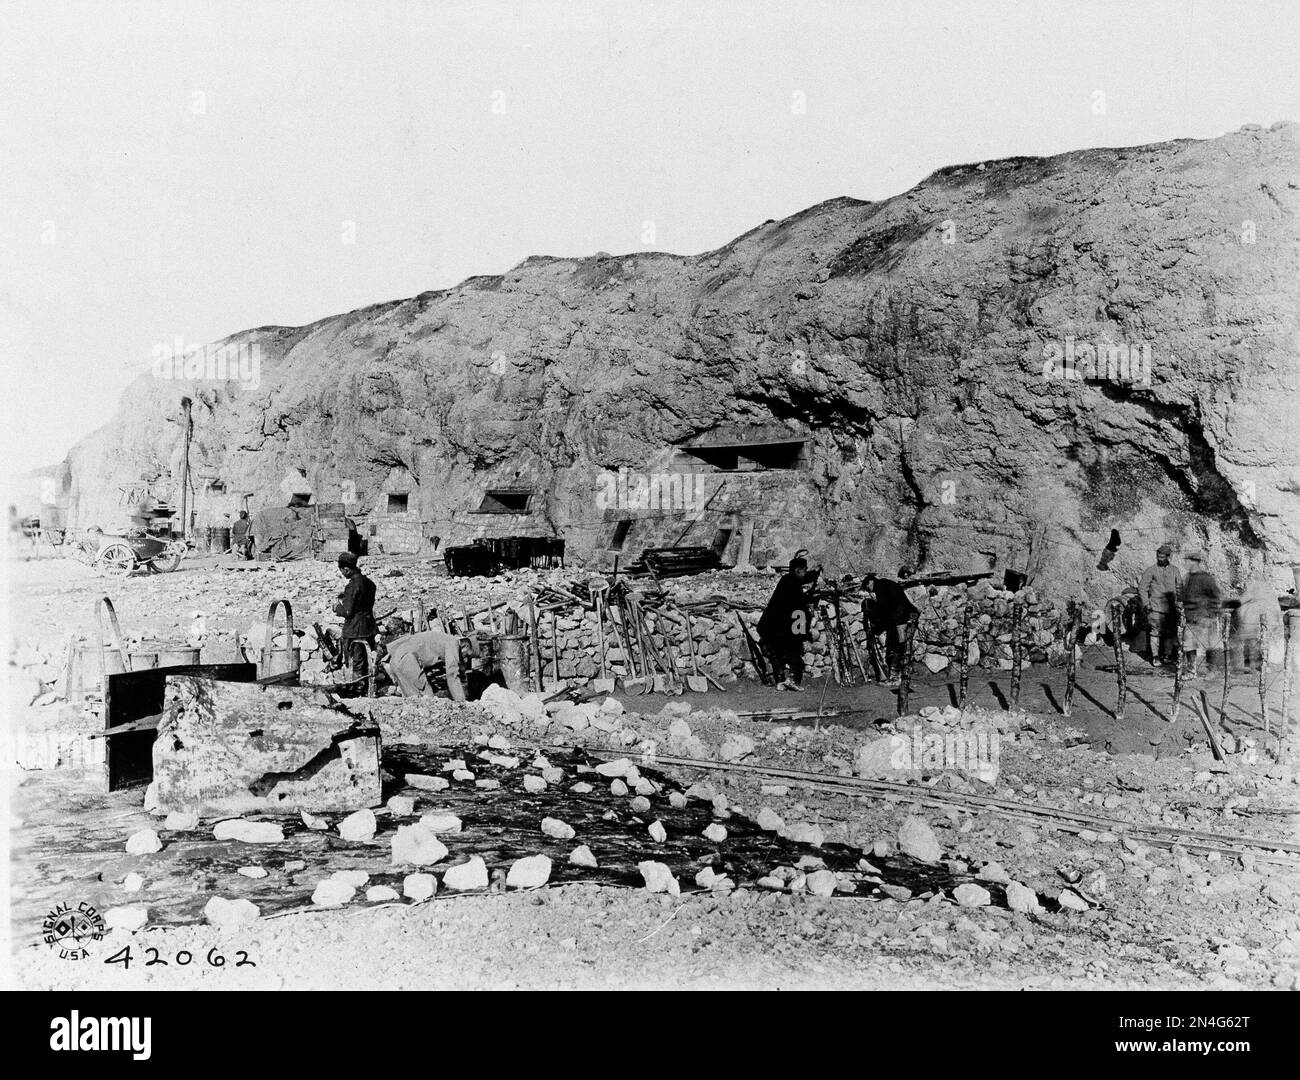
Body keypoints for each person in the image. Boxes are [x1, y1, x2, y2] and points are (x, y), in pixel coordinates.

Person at [757, 554, 819, 690]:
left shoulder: (787, 580)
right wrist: (804, 632)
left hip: (770, 627)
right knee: (794, 652)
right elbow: (800, 610)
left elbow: (804, 579)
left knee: (777, 654)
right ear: (798, 570)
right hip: (781, 627)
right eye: (804, 569)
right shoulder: (794, 586)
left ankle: (780, 681)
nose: (805, 572)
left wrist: (816, 573)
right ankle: (793, 681)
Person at [379, 625, 479, 701]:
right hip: (407, 661)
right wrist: (461, 702)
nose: (465, 658)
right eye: (467, 655)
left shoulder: (443, 638)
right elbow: (452, 674)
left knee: (413, 700)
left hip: (396, 660)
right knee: (428, 700)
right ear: (465, 646)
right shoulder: (453, 643)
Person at [861, 570, 919, 679]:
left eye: (866, 587)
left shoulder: (880, 587)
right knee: (901, 643)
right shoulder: (884, 583)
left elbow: (885, 609)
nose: (868, 590)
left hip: (902, 615)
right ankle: (902, 671)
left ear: (870, 582)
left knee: (901, 643)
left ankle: (900, 672)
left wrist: (878, 625)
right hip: (904, 613)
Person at [334, 551, 378, 681]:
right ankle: (367, 686)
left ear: (346, 569)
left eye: (342, 570)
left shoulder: (352, 586)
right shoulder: (369, 583)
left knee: (356, 663)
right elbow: (363, 602)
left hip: (355, 630)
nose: (342, 574)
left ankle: (357, 689)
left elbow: (348, 612)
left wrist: (337, 608)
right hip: (368, 627)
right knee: (367, 661)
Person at [1138, 543, 1182, 666]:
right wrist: (1146, 603)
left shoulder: (1175, 570)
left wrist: (1179, 603)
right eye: (1158, 557)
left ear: (1168, 557)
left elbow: (1179, 588)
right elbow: (1142, 588)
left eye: (1163, 557)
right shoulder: (1151, 570)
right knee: (1155, 633)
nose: (1160, 559)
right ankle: (1155, 657)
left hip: (1171, 609)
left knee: (1169, 633)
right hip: (1155, 609)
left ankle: (1167, 656)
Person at [1181, 552, 1222, 677]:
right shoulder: (1188, 577)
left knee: (1209, 645)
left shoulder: (1206, 578)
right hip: (1191, 617)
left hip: (1203, 617)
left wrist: (1211, 616)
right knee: (1188, 644)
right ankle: (1191, 671)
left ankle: (1212, 670)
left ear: (1195, 562)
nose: (1186, 563)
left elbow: (1216, 597)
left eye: (1188, 561)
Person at [1236, 573, 1283, 672]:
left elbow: (1241, 601)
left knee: (1252, 645)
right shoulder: (1269, 590)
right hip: (1259, 622)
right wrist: (1277, 622)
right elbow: (1276, 608)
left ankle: (1251, 667)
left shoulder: (1254, 587)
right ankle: (1258, 666)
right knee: (1261, 644)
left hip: (1253, 622)